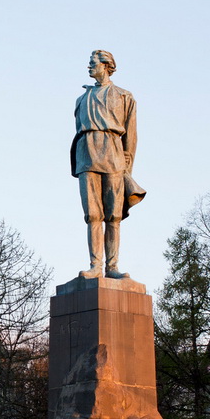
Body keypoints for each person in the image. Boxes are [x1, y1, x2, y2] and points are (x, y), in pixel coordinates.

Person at [71, 49, 144, 280]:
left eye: (93, 63)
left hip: (113, 154)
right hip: (87, 154)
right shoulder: (81, 99)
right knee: (92, 214)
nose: (89, 66)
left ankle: (112, 267)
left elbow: (130, 135)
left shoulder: (123, 96)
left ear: (106, 65)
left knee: (113, 215)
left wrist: (127, 165)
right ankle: (95, 266)